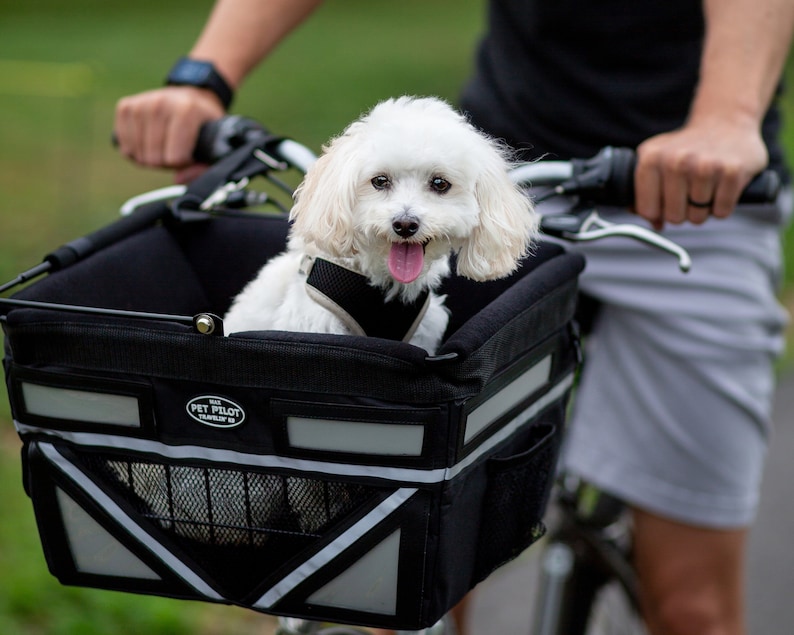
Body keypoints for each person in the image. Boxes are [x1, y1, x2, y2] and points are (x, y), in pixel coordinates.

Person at [114, 1, 794, 634]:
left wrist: (727, 117)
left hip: (703, 197)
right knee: (399, 587)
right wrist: (204, 76)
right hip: (517, 154)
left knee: (693, 607)